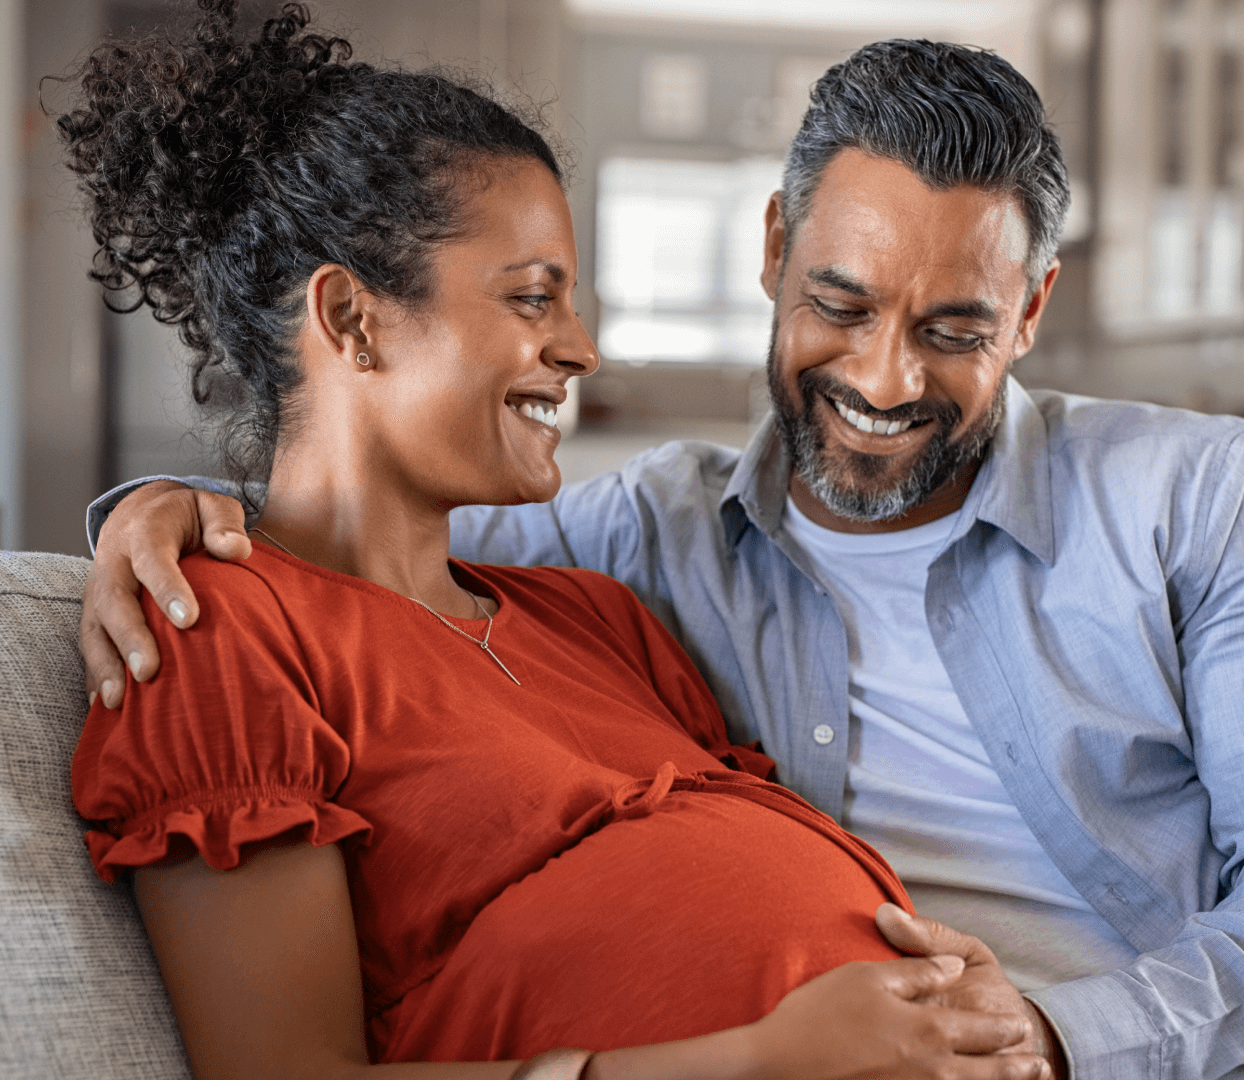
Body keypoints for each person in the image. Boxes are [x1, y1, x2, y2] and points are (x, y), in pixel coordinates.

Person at [83, 31, 1244, 1080]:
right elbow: (341, 525)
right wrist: (159, 510)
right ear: (770, 251)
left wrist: (1058, 1035)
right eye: (840, 303)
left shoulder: (1193, 495)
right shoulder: (648, 534)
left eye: (955, 327)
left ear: (1029, 314)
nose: (886, 379)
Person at [60, 5, 1059, 1080]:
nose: (579, 348)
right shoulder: (222, 638)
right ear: (351, 321)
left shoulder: (595, 614)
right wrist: (760, 1058)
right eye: (535, 299)